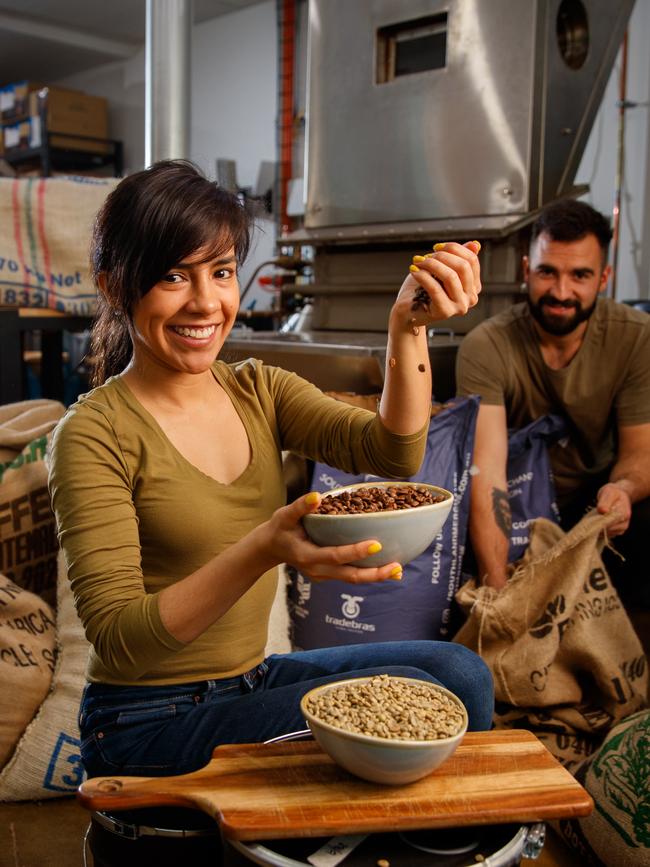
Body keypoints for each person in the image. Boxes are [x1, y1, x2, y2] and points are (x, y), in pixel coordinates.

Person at [48, 160, 493, 780]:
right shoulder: (94, 434)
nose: (206, 302)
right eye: (174, 276)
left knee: (461, 673)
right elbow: (123, 640)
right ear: (115, 286)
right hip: (147, 719)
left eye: (222, 272)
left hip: (247, 681)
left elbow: (392, 452)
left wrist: (407, 326)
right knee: (422, 692)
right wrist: (265, 548)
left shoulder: (257, 390)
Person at [456, 199, 650, 596]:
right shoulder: (486, 345)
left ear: (603, 279)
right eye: (548, 272)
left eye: (580, 275)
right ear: (527, 270)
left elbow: (640, 451)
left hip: (595, 500)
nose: (561, 292)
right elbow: (486, 470)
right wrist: (498, 593)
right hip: (519, 502)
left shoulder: (636, 337)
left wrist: (624, 491)